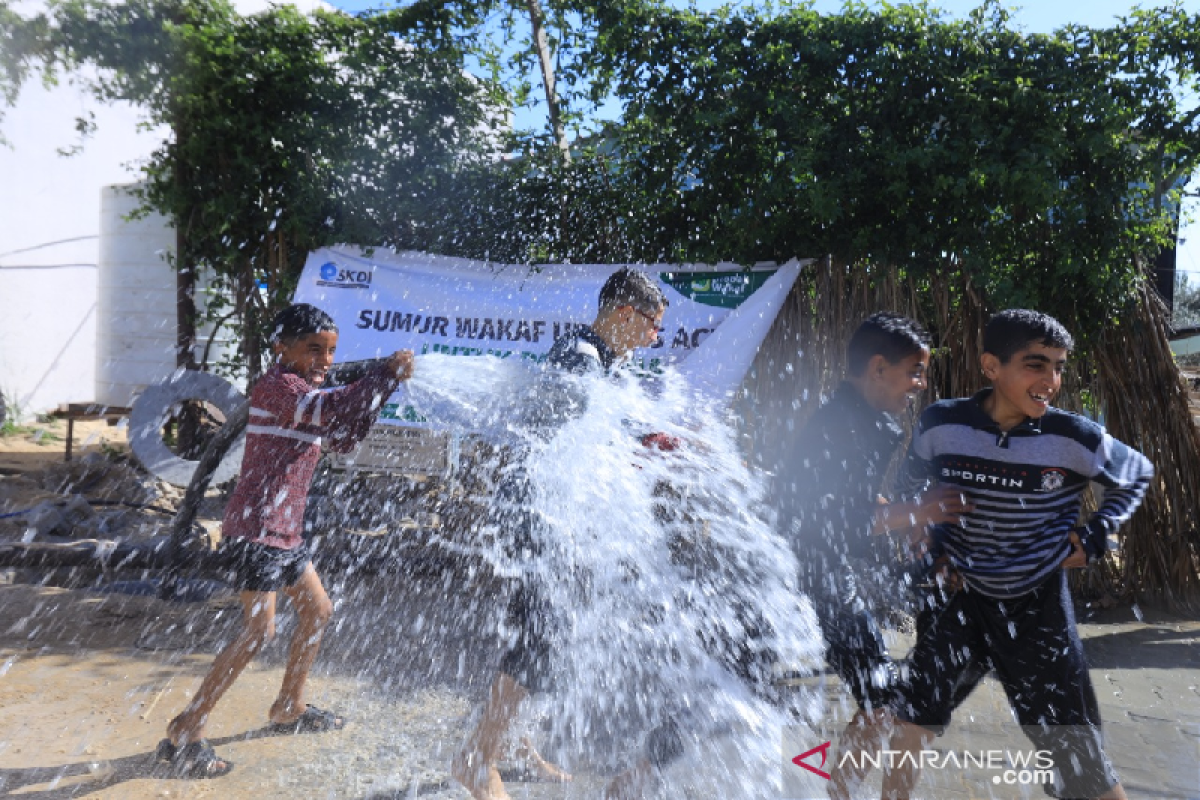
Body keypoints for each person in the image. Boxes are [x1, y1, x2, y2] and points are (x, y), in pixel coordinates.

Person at [883, 309, 1153, 800]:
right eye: (1036, 365)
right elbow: (913, 484)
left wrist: (1095, 536)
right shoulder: (941, 423)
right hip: (956, 599)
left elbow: (1137, 473)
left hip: (1036, 609)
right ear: (991, 366)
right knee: (909, 723)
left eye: (1058, 366)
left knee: (1077, 758)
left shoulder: (1073, 437)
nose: (1051, 380)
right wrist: (925, 536)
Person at [155, 303, 414, 778]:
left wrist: (385, 383)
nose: (325, 360)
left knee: (318, 611)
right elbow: (332, 409)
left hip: (284, 532)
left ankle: (288, 706)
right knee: (259, 631)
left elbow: (343, 435)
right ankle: (186, 727)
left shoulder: (307, 391)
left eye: (332, 351)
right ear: (282, 347)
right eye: (314, 349)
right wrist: (382, 376)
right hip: (256, 530)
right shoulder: (277, 387)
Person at [452, 268, 668, 800]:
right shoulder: (581, 358)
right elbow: (560, 443)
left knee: (549, 633)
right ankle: (477, 760)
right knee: (540, 638)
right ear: (623, 313)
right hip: (538, 514)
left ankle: (515, 744)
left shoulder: (612, 363)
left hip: (562, 515)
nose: (652, 337)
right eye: (650, 325)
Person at [780, 312, 972, 799]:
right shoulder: (847, 423)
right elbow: (833, 518)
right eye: (914, 371)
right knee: (880, 700)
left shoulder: (866, 418)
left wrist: (910, 517)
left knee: (879, 700)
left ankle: (836, 792)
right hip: (804, 569)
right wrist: (916, 510)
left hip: (817, 566)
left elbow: (848, 501)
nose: (920, 384)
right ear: (879, 368)